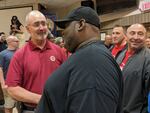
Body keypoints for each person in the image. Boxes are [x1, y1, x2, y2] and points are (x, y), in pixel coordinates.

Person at [36, 6, 123, 113]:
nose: (63, 32)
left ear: (81, 25)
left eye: (66, 26)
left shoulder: (93, 62)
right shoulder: (87, 55)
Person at [6, 10, 67, 113]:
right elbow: (12, 89)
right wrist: (43, 99)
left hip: (58, 108)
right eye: (36, 24)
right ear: (28, 29)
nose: (42, 28)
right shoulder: (19, 55)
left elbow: (68, 79)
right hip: (32, 110)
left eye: (44, 23)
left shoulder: (59, 51)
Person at [116, 23, 150, 113]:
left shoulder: (148, 58)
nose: (136, 37)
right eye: (132, 33)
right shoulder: (120, 55)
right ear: (126, 36)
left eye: (140, 34)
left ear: (146, 37)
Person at [0, 35, 19, 113]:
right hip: (9, 83)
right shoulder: (2, 54)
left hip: (20, 83)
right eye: (16, 41)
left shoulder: (20, 51)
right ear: (10, 42)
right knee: (9, 106)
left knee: (19, 105)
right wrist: (3, 84)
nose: (18, 42)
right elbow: (0, 69)